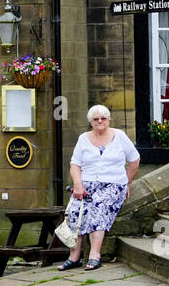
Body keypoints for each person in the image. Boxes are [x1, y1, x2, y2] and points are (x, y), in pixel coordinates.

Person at [59, 105, 140, 271]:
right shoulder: (83, 138)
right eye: (96, 119)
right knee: (75, 210)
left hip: (113, 184)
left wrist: (127, 182)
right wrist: (78, 185)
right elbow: (75, 165)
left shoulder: (120, 136)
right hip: (86, 184)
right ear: (91, 122)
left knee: (98, 206)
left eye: (103, 118)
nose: (100, 121)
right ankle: (74, 257)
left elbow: (134, 159)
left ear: (109, 120)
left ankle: (95, 255)